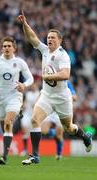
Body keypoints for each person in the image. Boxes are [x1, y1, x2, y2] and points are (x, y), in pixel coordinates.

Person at [18, 12, 92, 165]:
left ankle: (85, 136)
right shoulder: (45, 50)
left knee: (69, 128)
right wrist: (24, 24)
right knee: (34, 120)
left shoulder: (62, 55)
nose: (49, 39)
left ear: (60, 40)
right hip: (47, 95)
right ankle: (35, 156)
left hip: (61, 97)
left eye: (53, 37)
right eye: (48, 37)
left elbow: (65, 74)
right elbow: (32, 37)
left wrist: (48, 77)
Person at [0, 36, 34, 165]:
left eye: (9, 46)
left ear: (14, 48)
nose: (6, 48)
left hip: (14, 96)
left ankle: (4, 157)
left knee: (7, 123)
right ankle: (17, 119)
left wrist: (24, 85)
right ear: (2, 48)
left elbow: (30, 78)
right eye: (4, 46)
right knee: (5, 128)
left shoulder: (20, 62)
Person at [41, 80, 78, 160]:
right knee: (43, 130)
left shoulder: (66, 82)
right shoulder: (49, 80)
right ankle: (55, 133)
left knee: (59, 135)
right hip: (50, 111)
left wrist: (64, 97)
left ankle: (59, 153)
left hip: (60, 111)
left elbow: (75, 97)